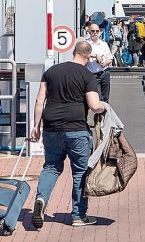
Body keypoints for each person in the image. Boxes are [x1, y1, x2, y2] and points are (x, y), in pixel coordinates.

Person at [30, 41, 107, 228]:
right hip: (77, 130)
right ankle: (78, 216)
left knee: (51, 167)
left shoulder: (51, 72)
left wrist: (36, 126)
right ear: (88, 57)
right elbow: (94, 106)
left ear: (73, 52)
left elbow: (40, 99)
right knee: (80, 172)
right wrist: (105, 107)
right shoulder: (88, 76)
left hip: (51, 128)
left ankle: (41, 199)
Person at [83, 22, 114, 102]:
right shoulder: (86, 44)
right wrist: (96, 56)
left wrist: (105, 63)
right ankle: (99, 112)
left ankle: (104, 114)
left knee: (105, 98)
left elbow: (110, 58)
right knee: (97, 98)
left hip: (104, 72)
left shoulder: (104, 44)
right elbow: (83, 54)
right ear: (89, 32)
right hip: (92, 74)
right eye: (93, 31)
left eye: (97, 31)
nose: (95, 33)